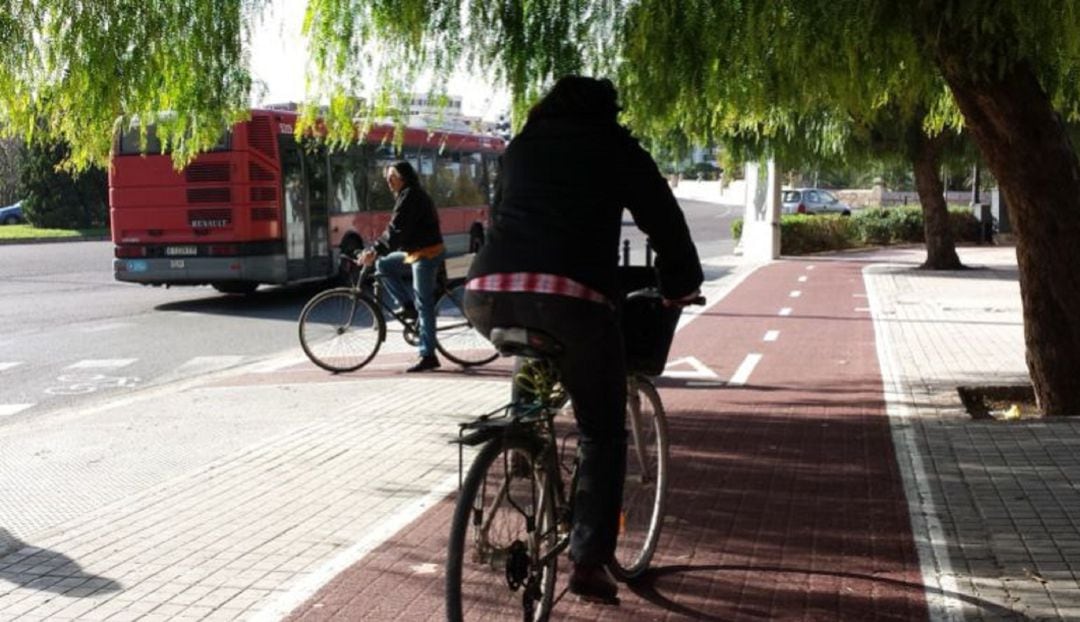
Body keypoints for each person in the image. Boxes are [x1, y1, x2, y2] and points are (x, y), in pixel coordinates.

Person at [463, 76, 703, 603]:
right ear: (606, 110)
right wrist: (682, 282)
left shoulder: (520, 147)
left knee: (536, 342)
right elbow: (664, 219)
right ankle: (589, 562)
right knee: (602, 431)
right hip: (570, 297)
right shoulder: (612, 143)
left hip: (484, 293)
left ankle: (524, 433)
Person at [359, 161, 446, 373]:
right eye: (387, 178)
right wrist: (378, 252)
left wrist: (374, 249)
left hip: (426, 253)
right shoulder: (406, 195)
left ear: (403, 177)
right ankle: (408, 307)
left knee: (424, 303)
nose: (389, 182)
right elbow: (394, 230)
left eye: (392, 177)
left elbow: (396, 231)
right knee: (384, 265)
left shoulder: (411, 196)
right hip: (414, 251)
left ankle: (428, 355)